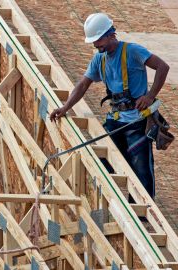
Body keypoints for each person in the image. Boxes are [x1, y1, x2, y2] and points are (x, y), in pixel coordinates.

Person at [49, 13, 170, 199]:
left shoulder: (132, 51)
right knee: (102, 162)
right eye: (94, 42)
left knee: (142, 172)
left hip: (137, 121)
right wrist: (65, 108)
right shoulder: (100, 59)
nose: (96, 45)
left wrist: (150, 95)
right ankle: (109, 204)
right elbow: (82, 85)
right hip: (116, 120)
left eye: (98, 41)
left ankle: (142, 217)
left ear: (110, 34)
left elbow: (162, 67)